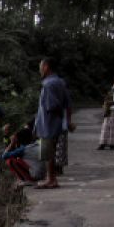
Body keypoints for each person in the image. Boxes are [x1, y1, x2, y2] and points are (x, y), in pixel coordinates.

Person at [34, 58, 73, 189]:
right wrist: (67, 120)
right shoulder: (61, 82)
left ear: (46, 67)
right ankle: (51, 178)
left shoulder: (48, 84)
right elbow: (68, 103)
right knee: (51, 151)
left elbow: (51, 105)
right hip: (57, 123)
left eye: (41, 67)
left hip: (48, 123)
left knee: (47, 152)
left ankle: (51, 179)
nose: (40, 70)